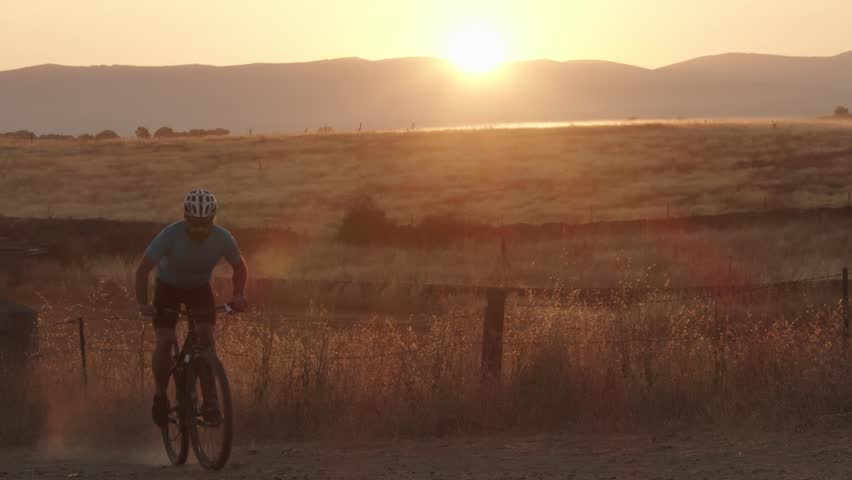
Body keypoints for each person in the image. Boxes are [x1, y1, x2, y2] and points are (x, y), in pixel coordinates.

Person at [135, 188, 248, 427]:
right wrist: (143, 304)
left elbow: (240, 266)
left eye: (204, 224)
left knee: (206, 336)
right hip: (168, 287)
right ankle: (160, 396)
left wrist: (238, 294)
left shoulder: (222, 237)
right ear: (186, 219)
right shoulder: (170, 235)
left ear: (213, 220)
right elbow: (143, 268)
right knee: (165, 340)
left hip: (199, 288)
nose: (198, 230)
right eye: (193, 224)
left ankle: (210, 401)